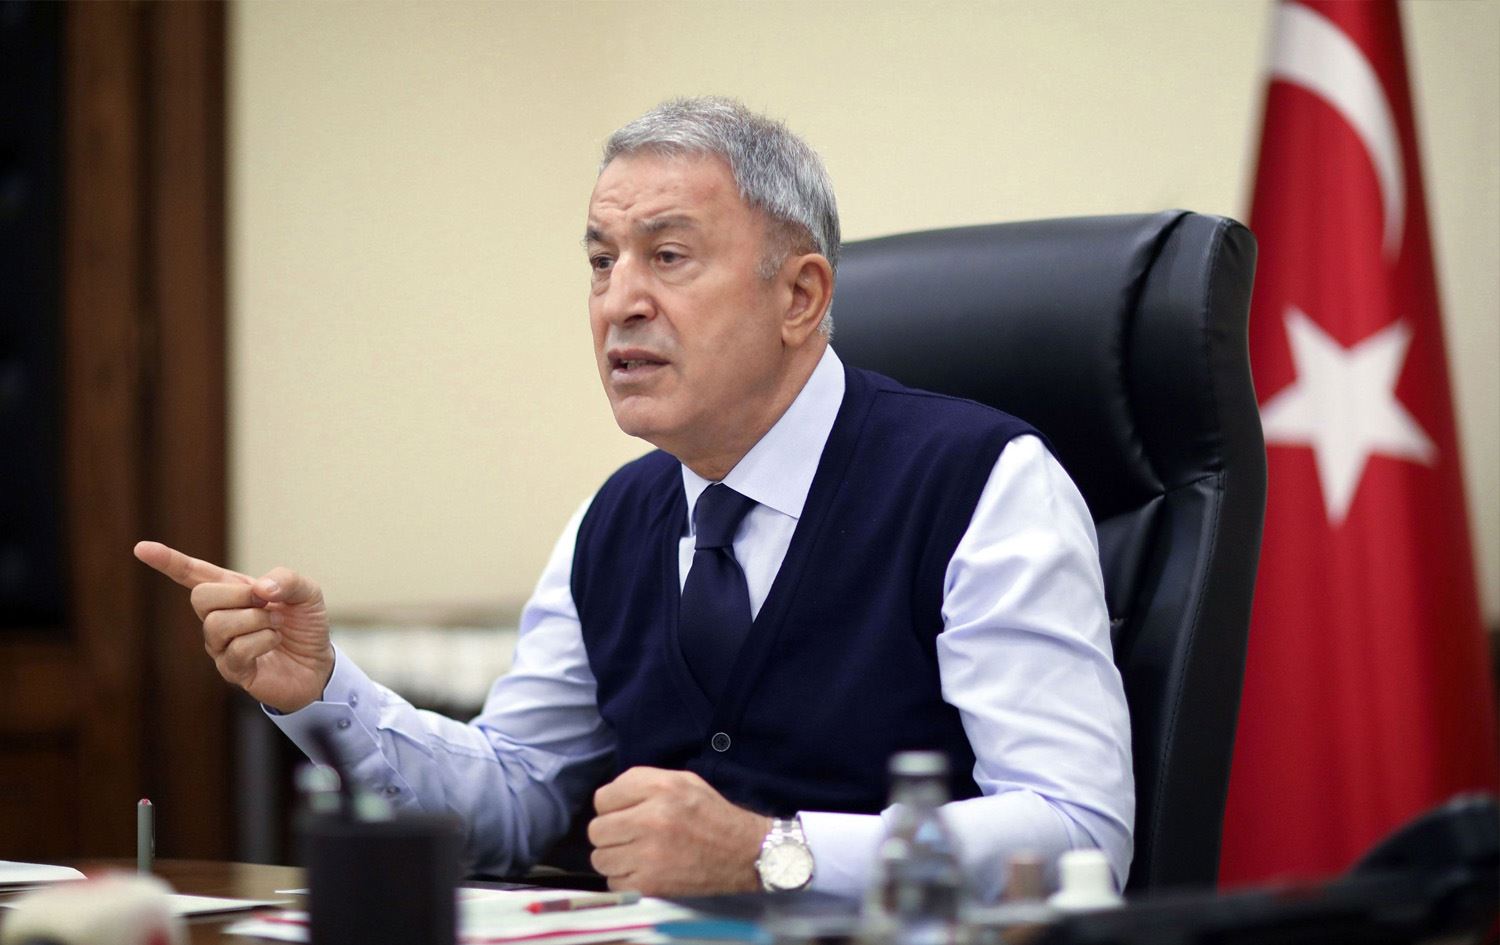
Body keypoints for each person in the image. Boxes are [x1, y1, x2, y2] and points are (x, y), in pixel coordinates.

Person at [135, 97, 1133, 900]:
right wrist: (322, 691)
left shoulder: (983, 483)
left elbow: (1080, 830)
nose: (619, 301)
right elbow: (515, 797)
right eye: (601, 262)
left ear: (800, 296)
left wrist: (771, 852)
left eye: (668, 256)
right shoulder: (613, 522)